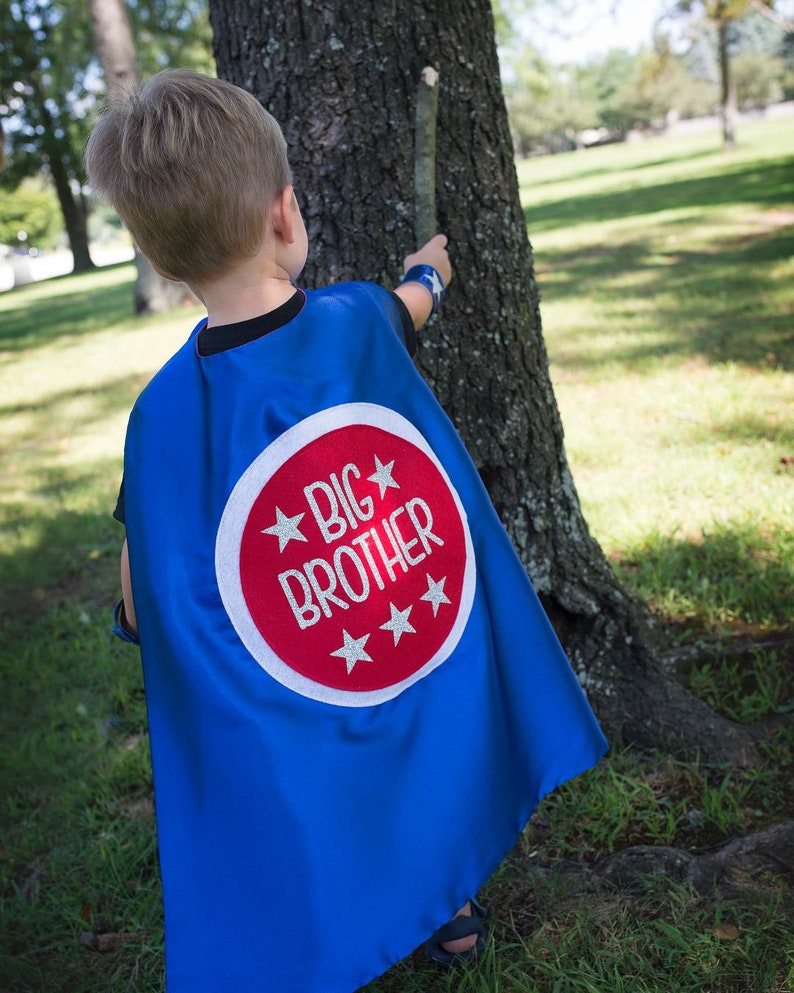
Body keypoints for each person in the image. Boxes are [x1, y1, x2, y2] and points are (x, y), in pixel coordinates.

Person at [86, 69, 607, 993]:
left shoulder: (159, 414)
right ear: (286, 214)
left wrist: (137, 623)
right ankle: (449, 904)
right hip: (396, 607)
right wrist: (429, 269)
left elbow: (142, 584)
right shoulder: (355, 319)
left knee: (315, 761)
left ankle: (357, 908)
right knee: (419, 726)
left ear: (161, 261)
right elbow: (411, 304)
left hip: (294, 654)